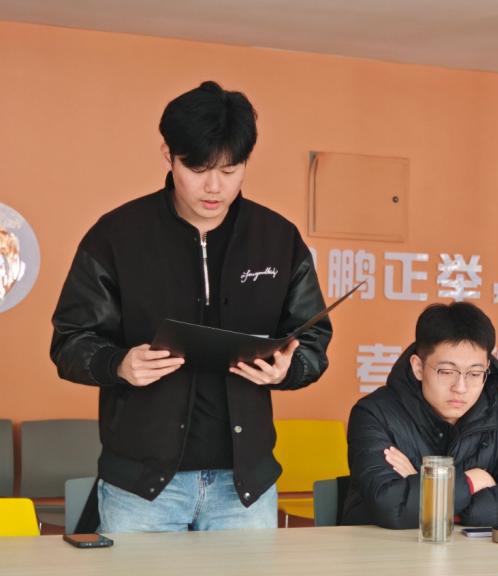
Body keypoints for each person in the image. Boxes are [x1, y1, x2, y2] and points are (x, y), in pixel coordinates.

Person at [50, 81, 332, 532]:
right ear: (169, 154)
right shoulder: (117, 236)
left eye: (230, 170)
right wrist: (117, 364)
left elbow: (313, 337)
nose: (214, 187)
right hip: (141, 488)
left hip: (244, 489)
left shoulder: (278, 239)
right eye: (198, 169)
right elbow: (70, 341)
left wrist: (288, 369)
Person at [341, 302, 498, 528]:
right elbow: (389, 505)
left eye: (475, 373)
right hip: (383, 548)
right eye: (447, 372)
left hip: (474, 550)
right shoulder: (374, 414)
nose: (460, 387)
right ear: (418, 367)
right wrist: (472, 482)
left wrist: (434, 494)